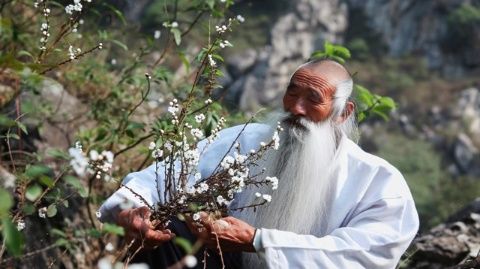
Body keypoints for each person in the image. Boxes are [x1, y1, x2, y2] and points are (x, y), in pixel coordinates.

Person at [99, 59, 419, 268]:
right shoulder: (248, 139)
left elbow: (366, 255)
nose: (296, 107)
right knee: (170, 231)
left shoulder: (378, 182)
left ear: (343, 113)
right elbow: (162, 177)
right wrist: (131, 208)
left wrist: (258, 241)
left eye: (313, 99)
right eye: (291, 92)